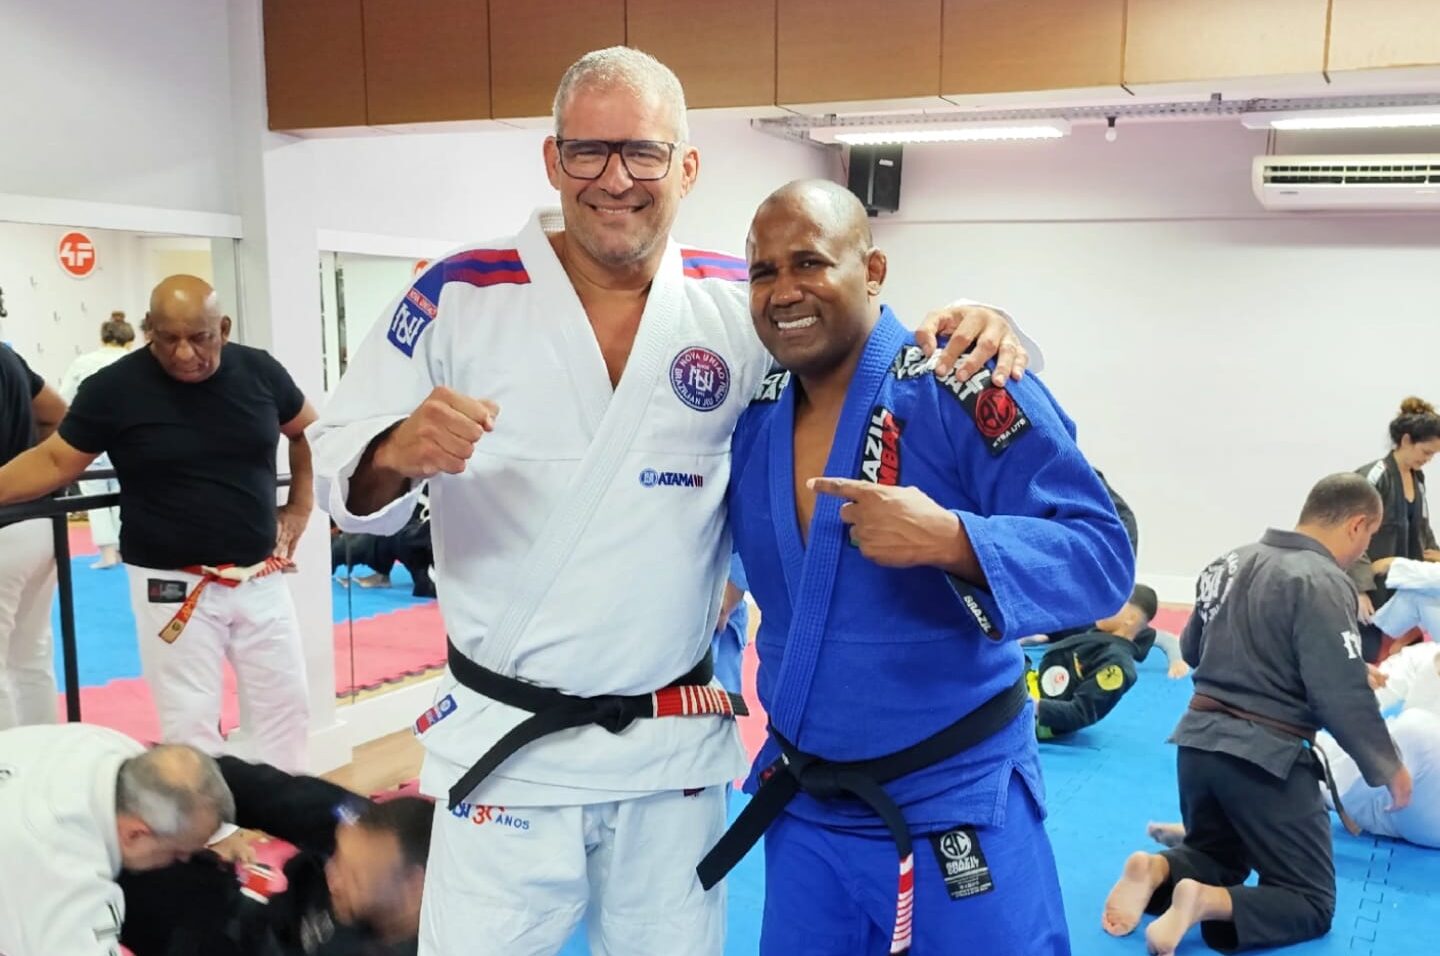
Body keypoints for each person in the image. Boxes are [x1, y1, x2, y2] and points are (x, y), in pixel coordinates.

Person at [309, 47, 1037, 956]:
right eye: (590, 151)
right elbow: (344, 481)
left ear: (686, 168)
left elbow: (877, 362)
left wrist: (986, 322)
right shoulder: (457, 293)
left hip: (670, 749)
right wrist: (394, 451)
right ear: (553, 160)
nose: (617, 179)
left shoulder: (742, 306)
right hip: (508, 748)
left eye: (645, 153)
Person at [695, 180, 1133, 956]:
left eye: (810, 262)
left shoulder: (960, 382)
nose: (784, 290)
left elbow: (1103, 556)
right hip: (807, 812)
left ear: (873, 270)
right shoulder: (752, 410)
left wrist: (956, 540)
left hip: (950, 805)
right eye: (763, 272)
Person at [0, 275, 318, 771]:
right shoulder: (112, 389)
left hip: (259, 576)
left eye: (200, 338)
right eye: (168, 339)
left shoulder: (259, 371)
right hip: (169, 584)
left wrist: (300, 505)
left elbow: (304, 432)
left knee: (286, 707)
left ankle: (290, 818)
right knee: (189, 722)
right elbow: (54, 461)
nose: (185, 354)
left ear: (224, 329)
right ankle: (204, 841)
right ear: (149, 330)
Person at [1101, 473, 1412, 956]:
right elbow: (1340, 695)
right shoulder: (1324, 580)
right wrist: (1388, 767)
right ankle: (1201, 900)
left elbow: (1194, 648)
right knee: (1309, 900)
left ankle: (1156, 870)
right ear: (1357, 525)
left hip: (1197, 746)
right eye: (1369, 538)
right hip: (1265, 760)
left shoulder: (1228, 562)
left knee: (1218, 854)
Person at [120, 756, 430, 956]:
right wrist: (161, 787)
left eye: (354, 879)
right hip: (245, 924)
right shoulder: (362, 832)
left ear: (413, 889)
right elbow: (271, 792)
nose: (333, 877)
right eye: (337, 861)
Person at [0, 723, 235, 956]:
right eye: (175, 852)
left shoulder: (116, 751)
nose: (182, 859)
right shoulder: (62, 870)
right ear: (135, 834)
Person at [0, 342, 66, 730]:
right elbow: (58, 416)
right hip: (39, 521)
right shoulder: (8, 357)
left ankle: (8, 771)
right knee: (31, 656)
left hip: (9, 526)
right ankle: (39, 760)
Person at [1352, 396, 1440, 661]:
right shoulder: (1374, 476)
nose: (1429, 460)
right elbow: (1351, 532)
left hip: (1400, 585)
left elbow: (1423, 529)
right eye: (1426, 453)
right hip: (1372, 588)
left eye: (1434, 455)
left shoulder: (1417, 479)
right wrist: (1360, 588)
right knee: (1371, 658)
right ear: (1405, 441)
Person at [59, 315, 137, 569]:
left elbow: (63, 399)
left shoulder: (84, 362)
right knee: (127, 493)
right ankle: (127, 548)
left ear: (103, 337)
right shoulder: (135, 362)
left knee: (96, 495)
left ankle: (107, 553)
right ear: (129, 339)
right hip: (131, 439)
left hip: (92, 437)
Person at [1032, 585, 1159, 739]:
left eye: (1113, 601)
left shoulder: (1116, 665)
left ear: (1130, 619)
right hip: (1034, 687)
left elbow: (1080, 712)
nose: (1102, 604)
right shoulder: (1100, 632)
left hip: (1038, 719)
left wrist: (1030, 706)